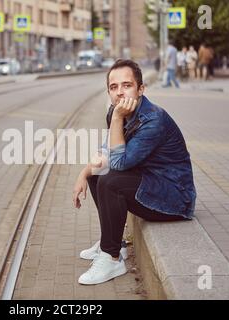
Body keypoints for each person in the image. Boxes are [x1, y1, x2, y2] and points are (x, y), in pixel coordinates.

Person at [72, 59, 196, 285]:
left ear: (141, 89)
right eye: (114, 87)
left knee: (111, 181)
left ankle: (111, 259)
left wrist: (118, 119)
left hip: (175, 198)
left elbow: (118, 163)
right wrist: (83, 173)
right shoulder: (116, 112)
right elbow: (104, 153)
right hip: (151, 183)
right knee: (97, 173)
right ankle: (112, 243)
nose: (120, 93)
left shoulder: (153, 120)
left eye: (127, 85)